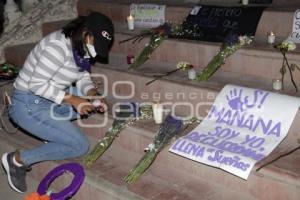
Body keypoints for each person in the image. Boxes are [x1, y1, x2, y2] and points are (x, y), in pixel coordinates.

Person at [1, 11, 114, 193]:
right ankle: (17, 160)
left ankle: (52, 132)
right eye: (95, 43)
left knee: (88, 101)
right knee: (80, 146)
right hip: (28, 103)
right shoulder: (57, 47)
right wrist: (74, 100)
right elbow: (36, 85)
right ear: (86, 32)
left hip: (49, 98)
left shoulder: (79, 48)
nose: (95, 51)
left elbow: (83, 77)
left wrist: (93, 94)